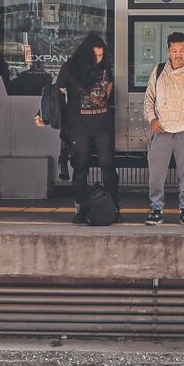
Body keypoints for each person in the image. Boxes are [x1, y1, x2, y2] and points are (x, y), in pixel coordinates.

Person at [143, 31, 184, 227]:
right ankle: (156, 209)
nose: (178, 54)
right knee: (156, 173)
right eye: (174, 50)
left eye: (182, 50)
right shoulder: (158, 71)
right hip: (161, 129)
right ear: (168, 51)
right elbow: (149, 98)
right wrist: (152, 119)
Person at [53, 33, 119, 223]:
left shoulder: (106, 67)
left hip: (102, 123)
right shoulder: (70, 68)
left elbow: (109, 92)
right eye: (95, 56)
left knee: (108, 165)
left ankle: (113, 207)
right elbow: (57, 93)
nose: (98, 60)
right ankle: (81, 208)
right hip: (77, 124)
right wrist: (49, 116)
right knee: (80, 167)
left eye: (101, 56)